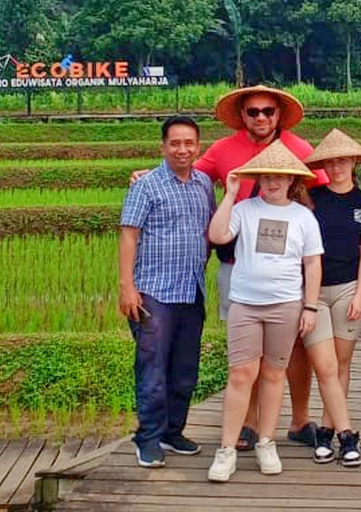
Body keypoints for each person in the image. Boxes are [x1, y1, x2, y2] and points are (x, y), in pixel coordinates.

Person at [130, 85, 327, 451]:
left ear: (279, 114)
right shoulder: (223, 150)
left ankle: (299, 420)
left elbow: (325, 190)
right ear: (242, 116)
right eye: (253, 111)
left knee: (294, 350)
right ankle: (248, 425)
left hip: (288, 269)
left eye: (268, 110)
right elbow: (188, 173)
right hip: (240, 268)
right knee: (245, 355)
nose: (261, 117)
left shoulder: (299, 149)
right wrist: (149, 175)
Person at [206, 141, 360, 482]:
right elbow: (217, 235)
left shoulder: (303, 216)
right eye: (266, 176)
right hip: (245, 303)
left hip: (287, 304)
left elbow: (312, 264)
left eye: (280, 176)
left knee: (275, 375)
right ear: (257, 179)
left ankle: (265, 441)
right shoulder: (245, 210)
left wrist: (309, 305)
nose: (273, 182)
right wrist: (230, 195)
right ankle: (226, 449)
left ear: (292, 180)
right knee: (241, 374)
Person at [119, 116, 215, 468]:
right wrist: (127, 287)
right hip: (154, 292)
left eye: (189, 143)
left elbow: (211, 230)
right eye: (175, 143)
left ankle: (173, 432)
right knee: (152, 369)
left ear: (198, 147)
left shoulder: (204, 184)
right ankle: (147, 438)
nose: (182, 149)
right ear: (163, 147)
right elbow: (129, 234)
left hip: (191, 290)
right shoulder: (146, 186)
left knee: (185, 369)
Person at [301, 129, 361, 463]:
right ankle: (347, 435)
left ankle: (325, 430)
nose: (337, 168)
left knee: (341, 364)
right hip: (314, 293)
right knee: (325, 366)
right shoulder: (311, 198)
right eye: (331, 162)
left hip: (350, 288)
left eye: (343, 161)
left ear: (354, 163)